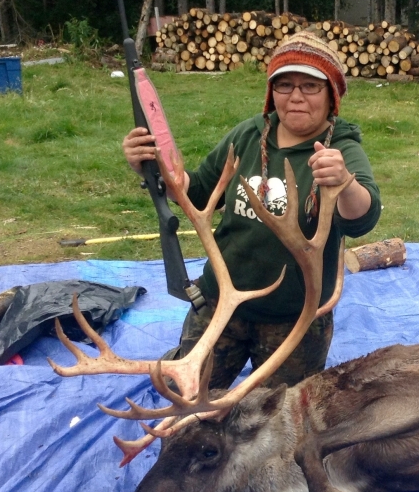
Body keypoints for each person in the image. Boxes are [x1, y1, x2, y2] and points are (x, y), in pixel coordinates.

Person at [122, 31, 381, 390]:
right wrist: (154, 169)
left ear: (331, 95)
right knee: (185, 397)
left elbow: (363, 218)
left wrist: (345, 184)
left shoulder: (340, 150)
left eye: (310, 86)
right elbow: (196, 191)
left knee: (279, 423)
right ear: (271, 91)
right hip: (220, 305)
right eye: (284, 84)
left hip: (292, 319)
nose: (295, 97)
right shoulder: (248, 136)